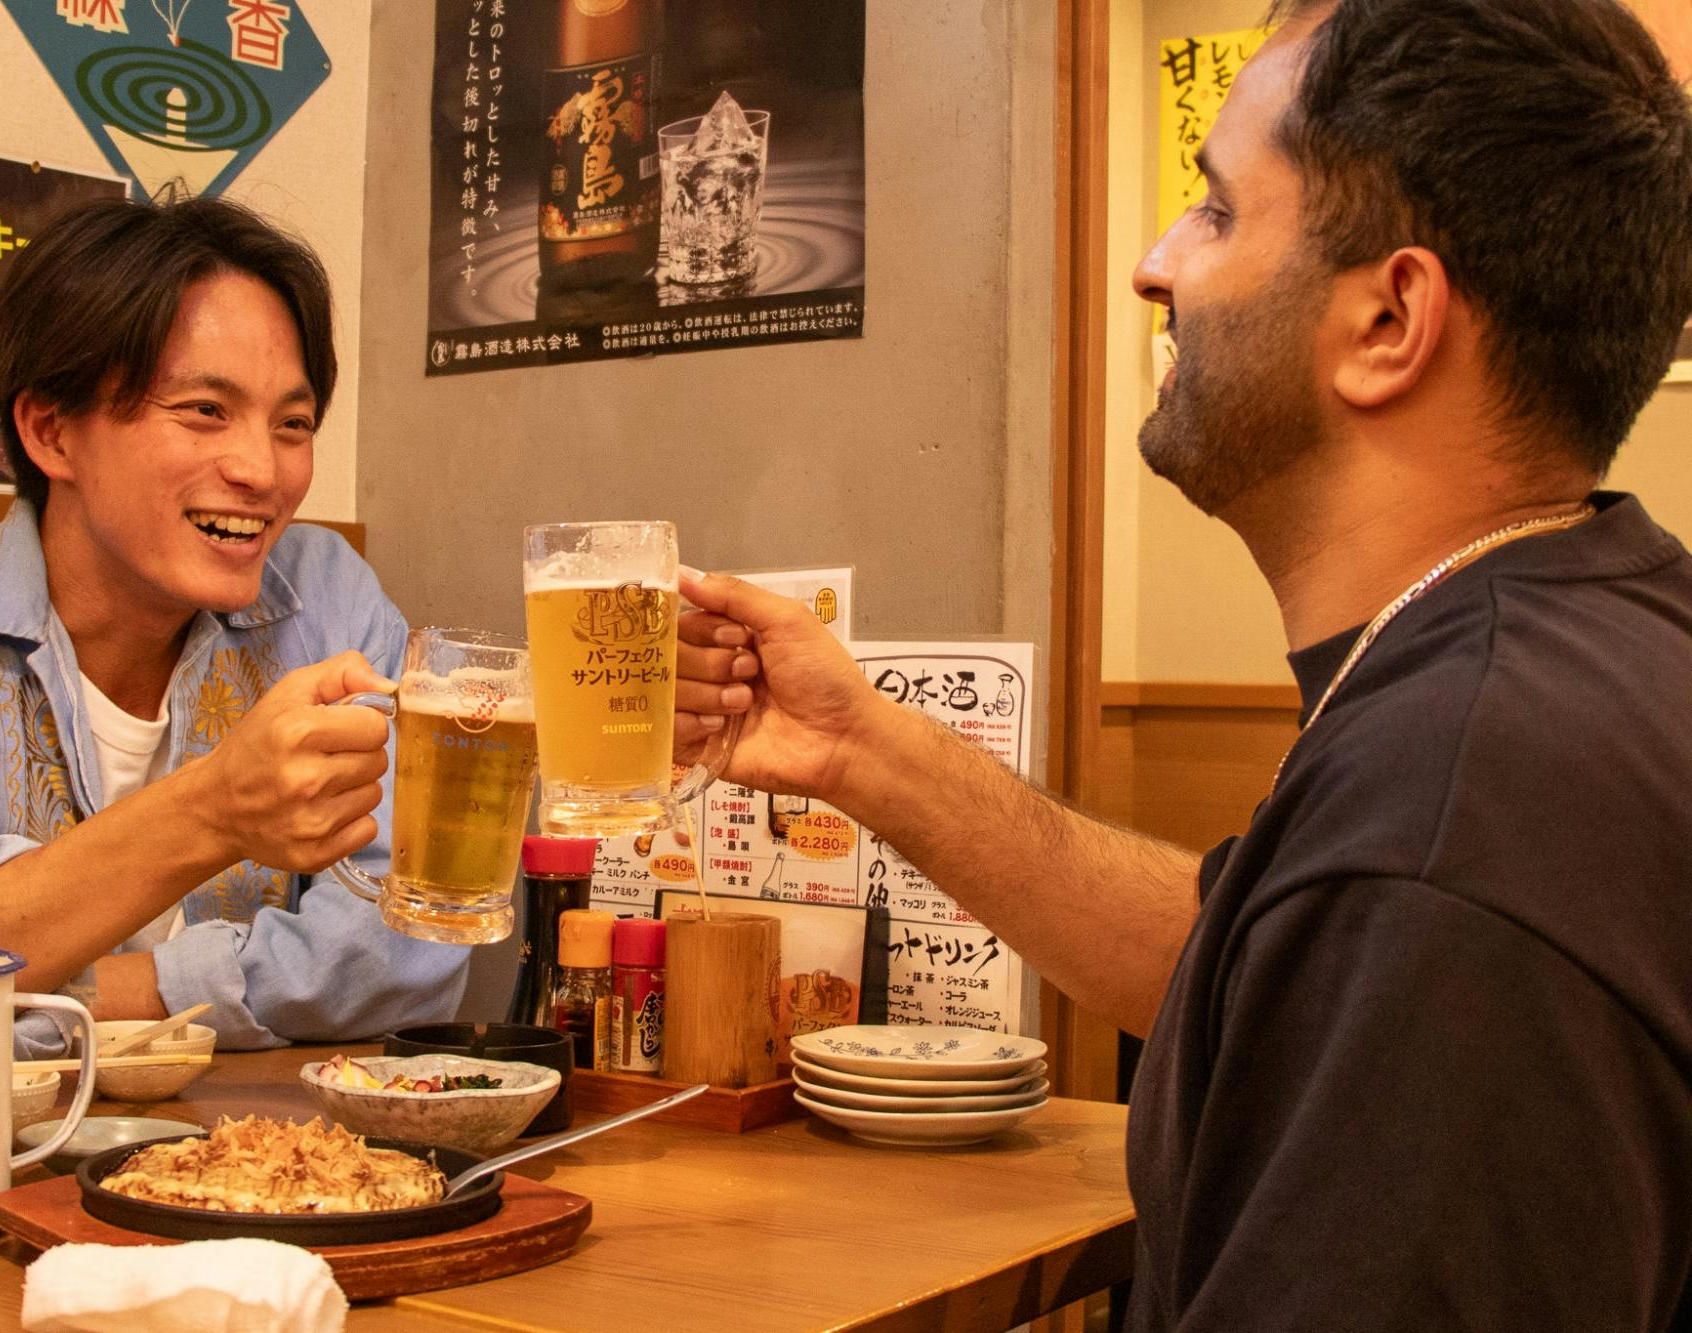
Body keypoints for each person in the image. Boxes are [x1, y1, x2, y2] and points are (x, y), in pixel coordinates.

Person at [676, 1, 1692, 1326]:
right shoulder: (1586, 637)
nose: (1156, 265)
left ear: (1389, 319)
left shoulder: (1455, 812)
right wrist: (858, 746)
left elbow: (1380, 924)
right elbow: (1256, 960)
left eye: (1213, 209)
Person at [0, 198, 468, 1052]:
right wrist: (212, 812)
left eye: (293, 424)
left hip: (263, 1166)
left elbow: (417, 937)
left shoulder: (326, 602)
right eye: (204, 409)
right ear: (52, 431)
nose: (261, 470)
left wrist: (72, 989)